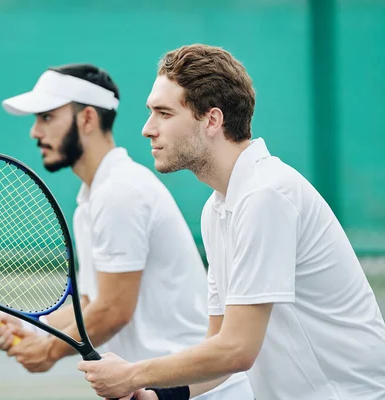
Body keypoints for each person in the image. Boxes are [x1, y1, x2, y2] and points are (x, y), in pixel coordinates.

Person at [77, 44, 385, 400]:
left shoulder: (266, 195)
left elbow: (237, 349)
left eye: (164, 113)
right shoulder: (218, 208)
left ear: (212, 120)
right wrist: (158, 395)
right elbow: (219, 350)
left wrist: (133, 374)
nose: (148, 129)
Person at [0, 63, 253, 399]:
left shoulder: (120, 192)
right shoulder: (95, 197)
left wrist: (48, 351)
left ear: (88, 119)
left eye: (47, 117)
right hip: (158, 390)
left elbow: (113, 310)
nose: (35, 132)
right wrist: (29, 327)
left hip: (200, 390)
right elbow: (92, 301)